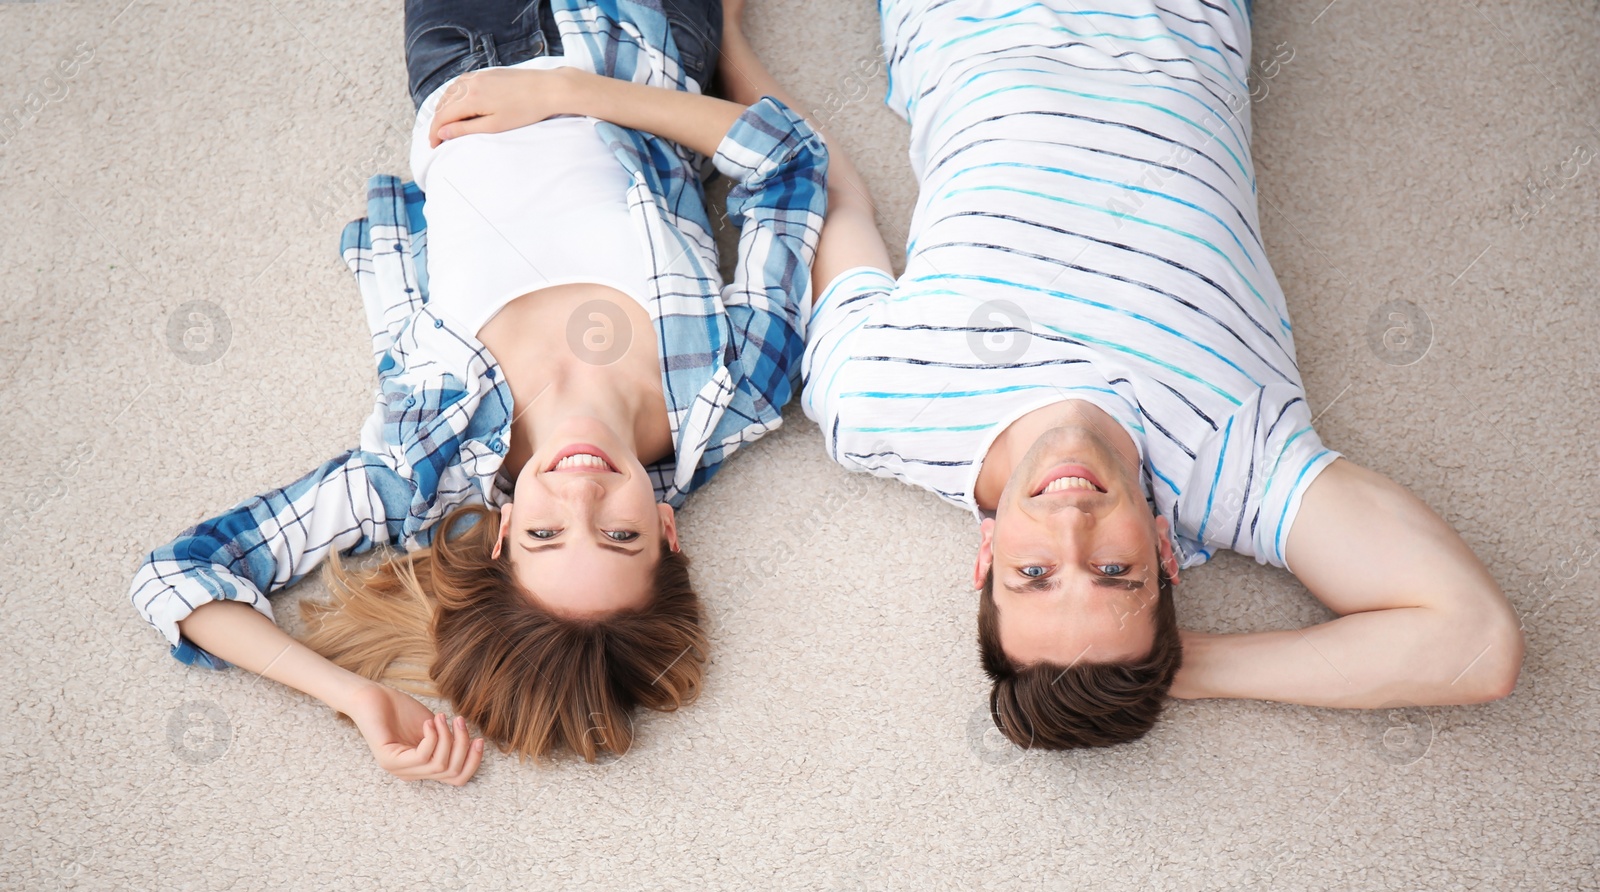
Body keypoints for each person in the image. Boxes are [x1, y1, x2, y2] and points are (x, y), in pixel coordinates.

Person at [129, 0, 827, 783]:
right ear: (668, 530)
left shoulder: (421, 460)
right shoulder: (740, 386)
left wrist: (354, 696)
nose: (580, 495)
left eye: (543, 536)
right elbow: (789, 160)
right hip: (644, 36)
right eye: (619, 536)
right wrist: (575, 93)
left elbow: (178, 576)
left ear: (500, 537)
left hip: (470, 43)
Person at [794, 0, 1523, 746]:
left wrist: (735, 62)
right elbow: (1477, 641)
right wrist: (1185, 667)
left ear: (985, 556)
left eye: (1035, 574)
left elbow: (827, 190)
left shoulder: (882, 402)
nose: (1071, 527)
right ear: (1165, 551)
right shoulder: (1234, 464)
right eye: (1116, 569)